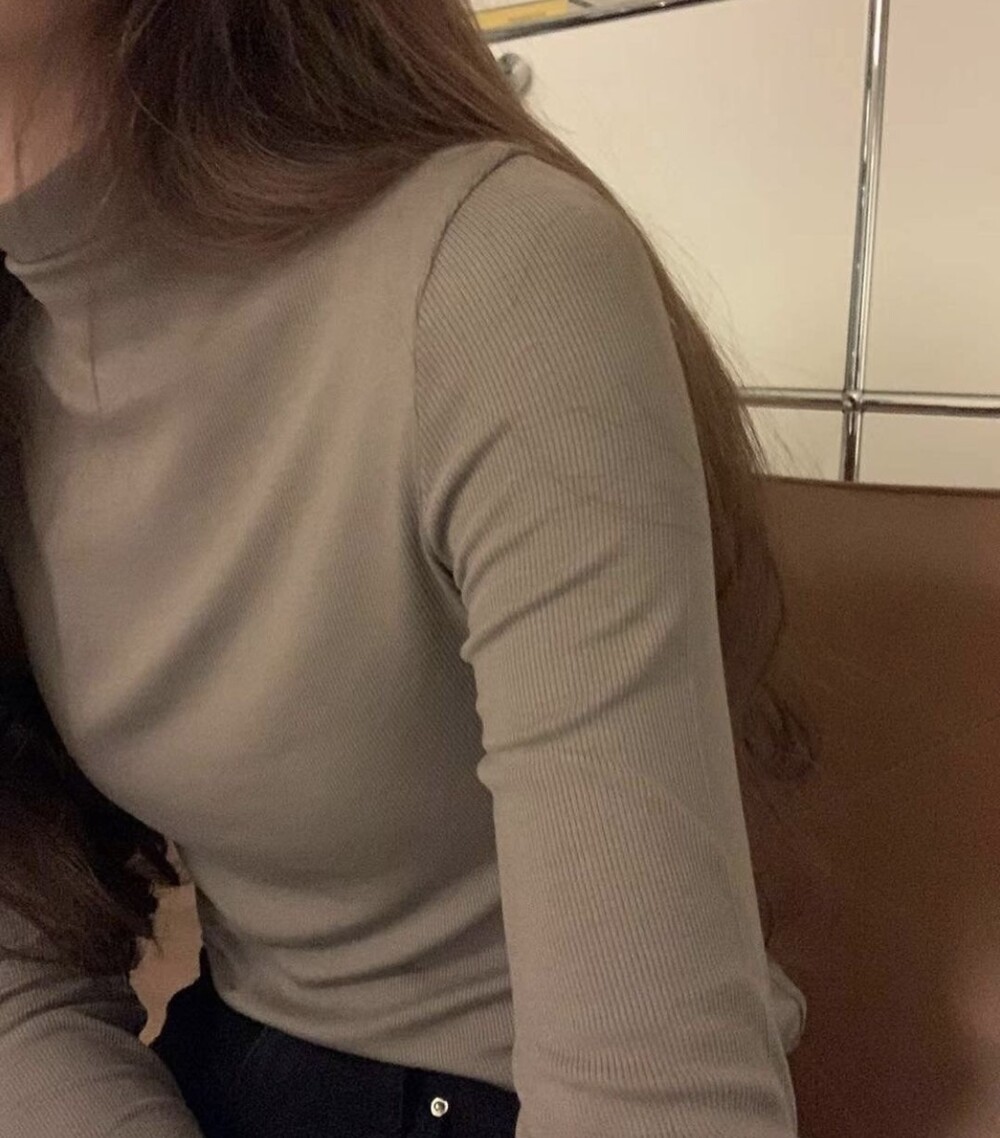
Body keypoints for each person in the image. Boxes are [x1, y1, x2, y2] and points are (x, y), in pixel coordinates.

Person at [0, 1, 808, 1135]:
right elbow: (18, 992)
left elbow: (656, 1102)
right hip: (226, 1065)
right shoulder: (22, 348)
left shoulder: (492, 275)